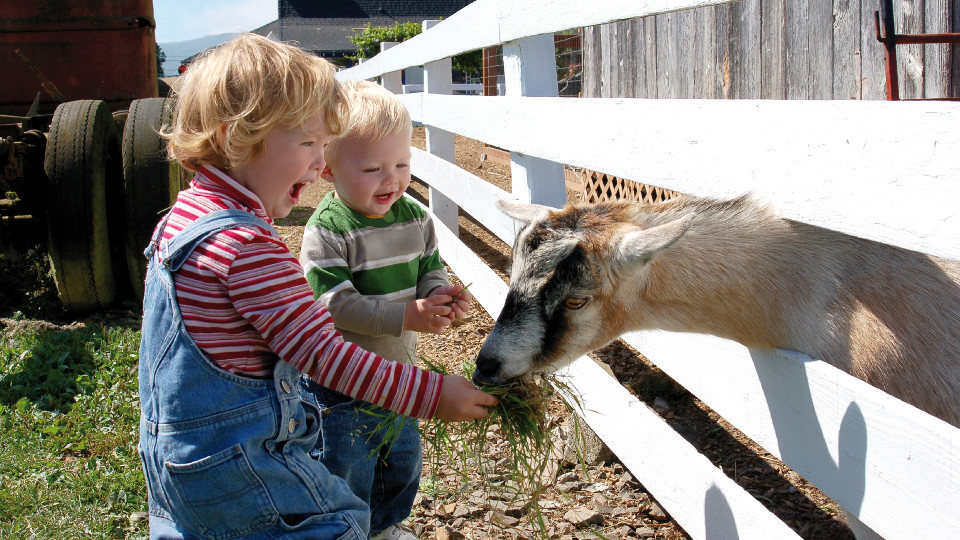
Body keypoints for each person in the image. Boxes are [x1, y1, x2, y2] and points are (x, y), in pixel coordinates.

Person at [137, 33, 495, 540]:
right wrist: (431, 393)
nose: (317, 163)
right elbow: (326, 356)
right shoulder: (246, 249)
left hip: (174, 455)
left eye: (323, 144)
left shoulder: (184, 219)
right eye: (308, 142)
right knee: (339, 523)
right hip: (236, 461)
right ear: (235, 137)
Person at [298, 80, 474, 540]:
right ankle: (344, 530)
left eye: (402, 164)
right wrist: (406, 317)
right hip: (339, 385)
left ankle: (383, 528)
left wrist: (440, 297)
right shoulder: (329, 231)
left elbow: (429, 270)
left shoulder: (414, 218)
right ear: (328, 171)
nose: (391, 178)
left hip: (398, 373)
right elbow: (334, 305)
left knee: (401, 460)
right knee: (345, 466)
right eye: (373, 168)